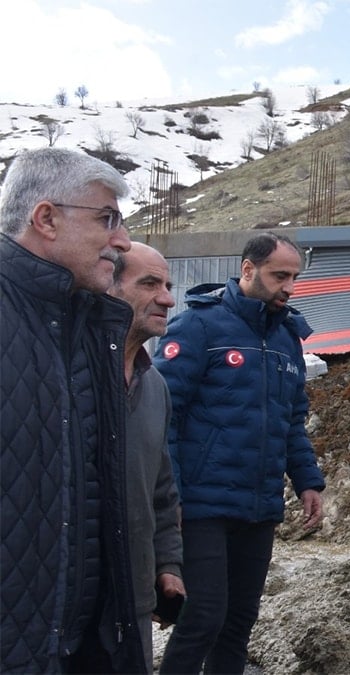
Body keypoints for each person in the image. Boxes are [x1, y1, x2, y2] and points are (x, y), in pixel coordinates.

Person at [0, 147, 146, 672]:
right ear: (46, 219)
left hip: (83, 647)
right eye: (107, 218)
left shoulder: (92, 325)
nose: (122, 241)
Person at [154, 231, 325, 674]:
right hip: (201, 505)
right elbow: (162, 413)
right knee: (203, 616)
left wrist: (307, 480)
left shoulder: (288, 337)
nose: (289, 286)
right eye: (280, 275)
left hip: (259, 506)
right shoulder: (199, 326)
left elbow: (292, 419)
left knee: (238, 624)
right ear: (248, 270)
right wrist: (167, 495)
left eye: (294, 277)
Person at [107, 242, 188, 671]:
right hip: (78, 605)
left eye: (169, 285)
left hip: (135, 601)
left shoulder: (155, 386)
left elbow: (161, 489)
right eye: (150, 283)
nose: (168, 298)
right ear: (110, 286)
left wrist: (168, 564)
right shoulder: (73, 374)